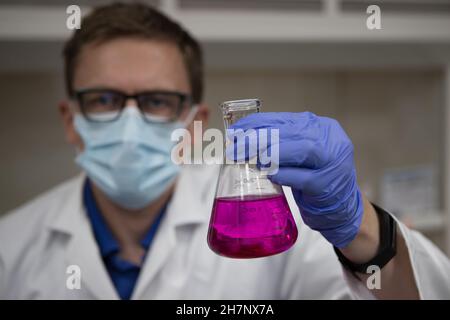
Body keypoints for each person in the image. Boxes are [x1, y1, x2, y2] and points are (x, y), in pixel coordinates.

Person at [0, 2, 449, 300]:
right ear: (70, 120)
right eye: (105, 100)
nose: (130, 122)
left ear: (196, 125)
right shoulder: (10, 250)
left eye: (157, 102)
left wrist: (361, 230)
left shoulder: (285, 222)